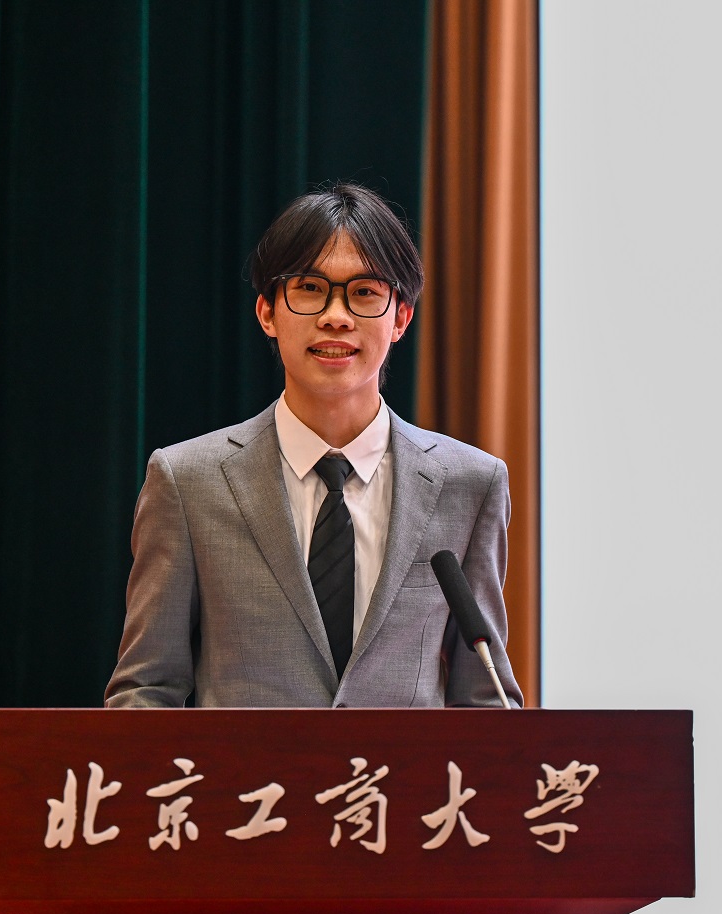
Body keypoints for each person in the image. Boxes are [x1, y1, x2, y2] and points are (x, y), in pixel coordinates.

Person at [104, 182, 523, 708]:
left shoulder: (470, 484)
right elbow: (146, 691)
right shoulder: (188, 482)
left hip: (404, 768)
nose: (336, 316)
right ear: (267, 313)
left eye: (365, 292)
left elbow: (484, 700)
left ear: (401, 317)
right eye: (309, 288)